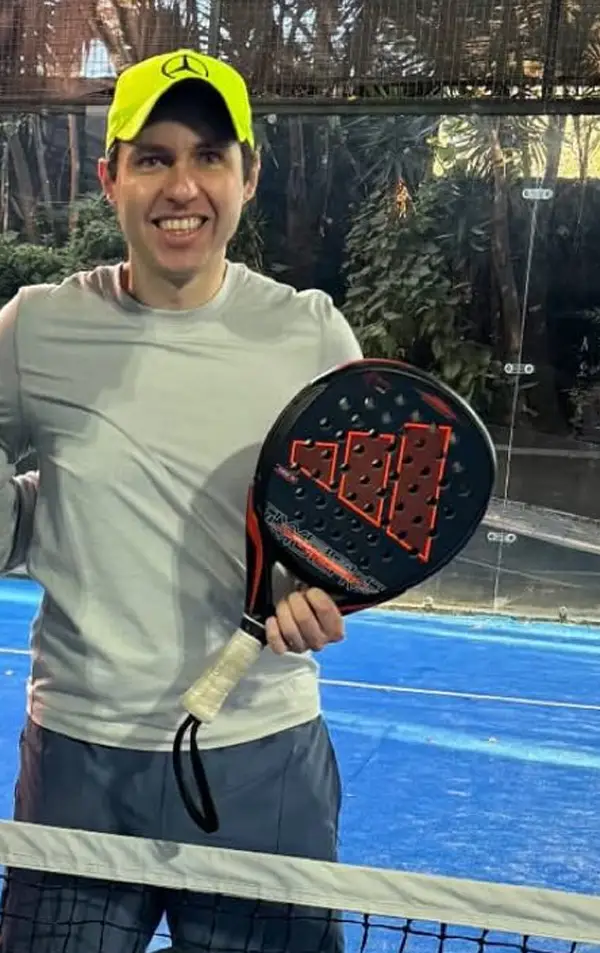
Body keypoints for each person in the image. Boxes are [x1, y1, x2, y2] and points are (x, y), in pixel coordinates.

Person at [0, 48, 362, 953]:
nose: (182, 186)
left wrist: (324, 589)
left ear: (249, 176)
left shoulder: (311, 334)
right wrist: (32, 514)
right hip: (80, 755)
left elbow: (357, 527)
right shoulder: (34, 330)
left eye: (208, 156)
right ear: (110, 178)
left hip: (264, 757)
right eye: (154, 157)